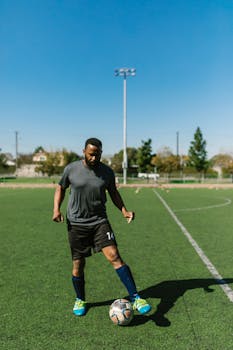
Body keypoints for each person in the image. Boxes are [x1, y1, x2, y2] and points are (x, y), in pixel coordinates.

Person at [52, 137, 151, 316]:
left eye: (97, 154)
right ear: (84, 152)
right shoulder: (71, 169)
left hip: (99, 222)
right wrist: (56, 210)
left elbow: (113, 192)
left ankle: (136, 297)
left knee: (114, 255)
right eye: (91, 154)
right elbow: (60, 187)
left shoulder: (106, 172)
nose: (94, 158)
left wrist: (124, 211)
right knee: (78, 264)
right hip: (76, 223)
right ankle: (80, 299)